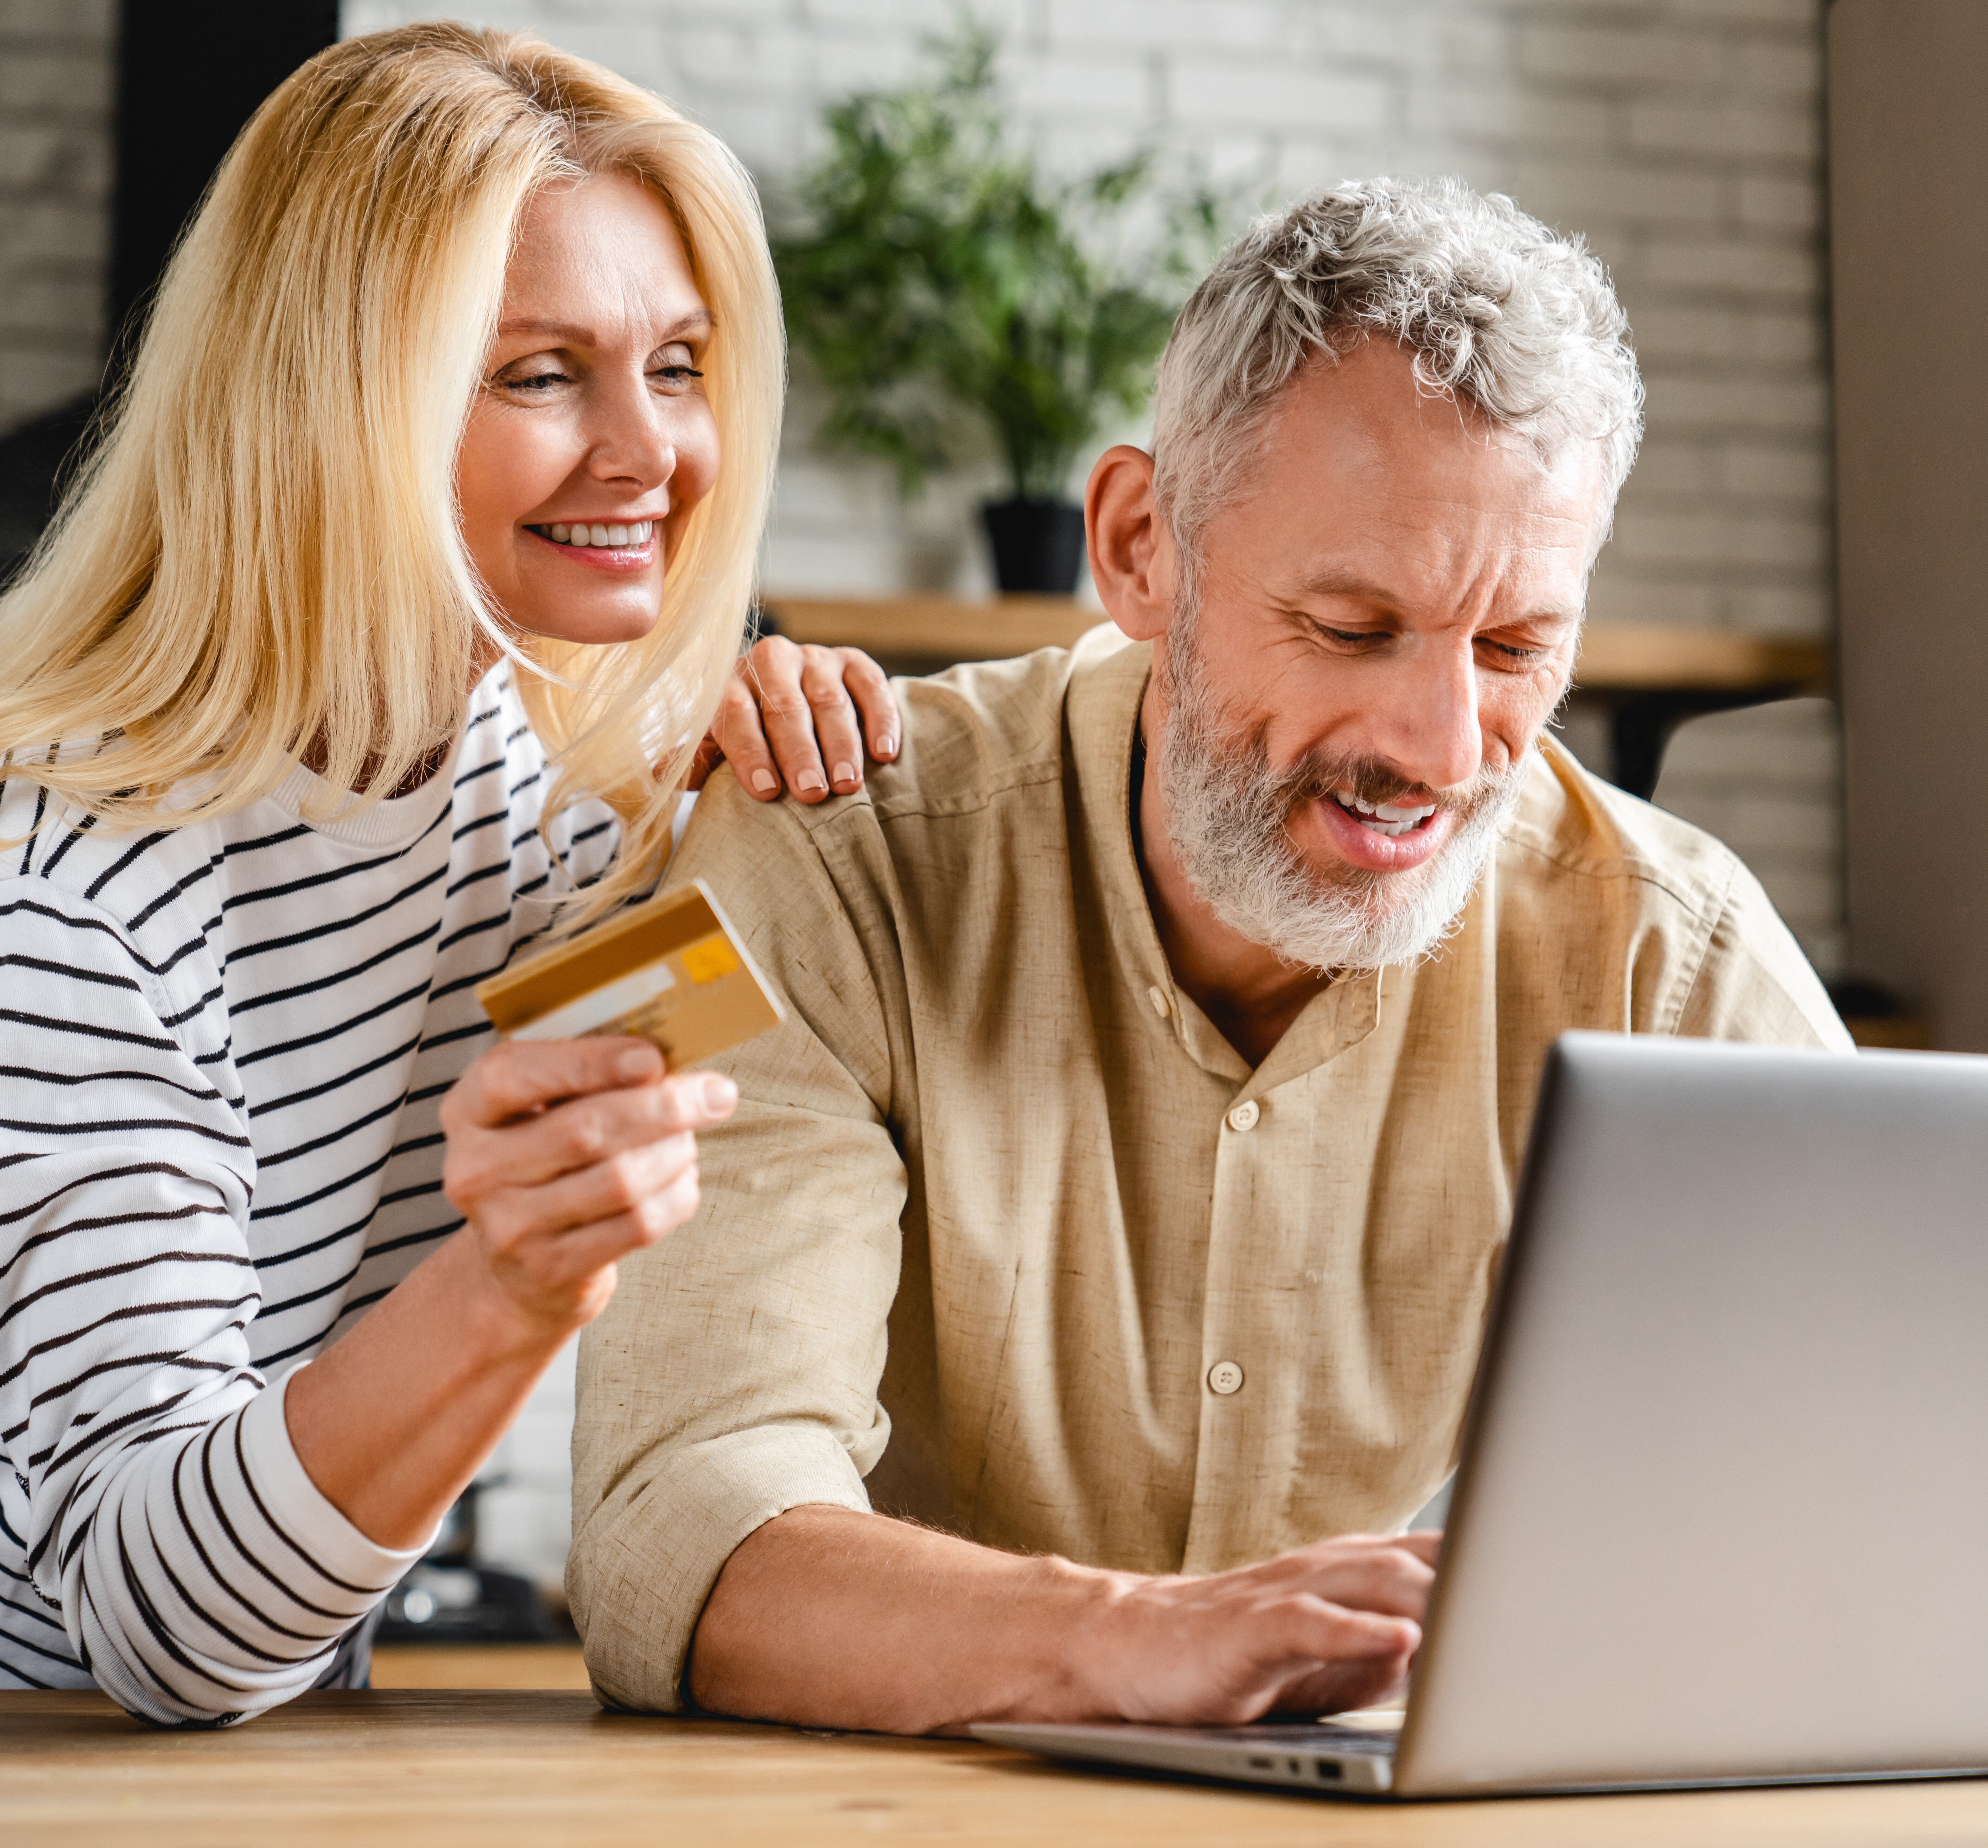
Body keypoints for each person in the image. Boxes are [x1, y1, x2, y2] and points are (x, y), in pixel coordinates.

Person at [0, 25, 902, 1726]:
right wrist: (511, 1281)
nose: (647, 453)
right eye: (539, 373)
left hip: (212, 1771)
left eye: (678, 366)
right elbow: (170, 1627)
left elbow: (789, 1077)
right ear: (338, 399)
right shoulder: (62, 879)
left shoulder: (544, 794)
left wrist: (780, 787)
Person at [568, 178, 1851, 1735]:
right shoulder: (831, 862)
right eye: (1350, 625)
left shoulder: (1672, 958)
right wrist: (1129, 1639)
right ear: (1137, 547)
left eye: (1517, 649)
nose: (1439, 748)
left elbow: (1884, 1498)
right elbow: (680, 1523)